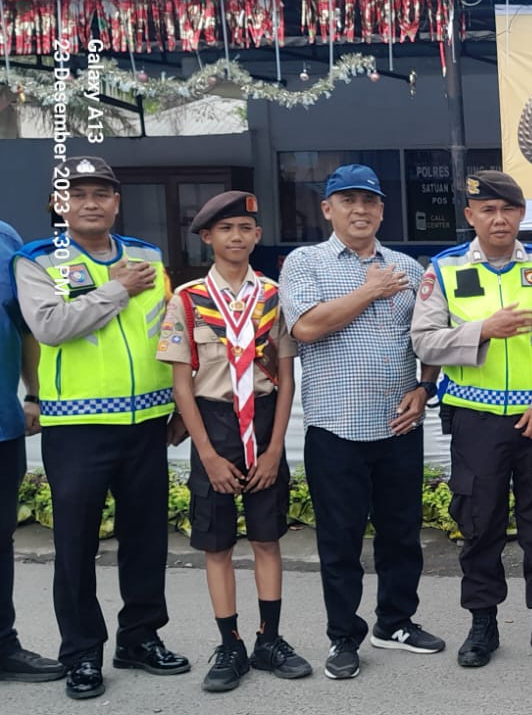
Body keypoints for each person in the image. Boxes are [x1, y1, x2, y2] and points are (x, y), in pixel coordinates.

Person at [13, 156, 190, 700]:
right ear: (58, 204)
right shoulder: (39, 259)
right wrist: (114, 290)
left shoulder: (147, 255)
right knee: (75, 546)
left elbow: (170, 328)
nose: (91, 202)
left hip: (145, 422)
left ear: (117, 201)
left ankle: (139, 638)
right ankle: (82, 653)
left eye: (102, 193)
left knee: (145, 541)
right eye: (77, 193)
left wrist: (182, 403)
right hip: (78, 426)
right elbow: (50, 326)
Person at [279, 164, 444, 680]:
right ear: (327, 209)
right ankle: (343, 637)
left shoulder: (409, 269)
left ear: (381, 210)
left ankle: (395, 622)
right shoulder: (305, 263)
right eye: (347, 201)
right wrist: (368, 291)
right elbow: (305, 328)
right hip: (335, 428)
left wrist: (424, 387)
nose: (360, 210)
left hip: (398, 424)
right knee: (341, 539)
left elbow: (430, 334)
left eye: (369, 202)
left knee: (401, 533)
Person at [410, 171, 532, 670]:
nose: (498, 219)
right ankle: (482, 622)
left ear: (521, 215)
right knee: (479, 523)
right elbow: (423, 340)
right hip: (476, 419)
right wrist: (483, 329)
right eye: (487, 210)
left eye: (508, 210)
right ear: (471, 216)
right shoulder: (443, 269)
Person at [158, 191, 311, 691]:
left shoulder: (273, 296)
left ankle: (270, 639)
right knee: (218, 546)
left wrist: (274, 449)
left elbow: (286, 379)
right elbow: (183, 385)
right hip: (214, 426)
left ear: (257, 236)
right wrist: (206, 453)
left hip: (264, 424)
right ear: (207, 238)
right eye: (225, 230)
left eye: (246, 228)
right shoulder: (186, 300)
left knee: (267, 540)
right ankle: (231, 644)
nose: (237, 237)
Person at [0, 219, 60, 686]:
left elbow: (26, 327)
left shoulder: (6, 239)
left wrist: (34, 395)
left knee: (1, 541)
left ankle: (3, 646)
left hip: (1, 425)